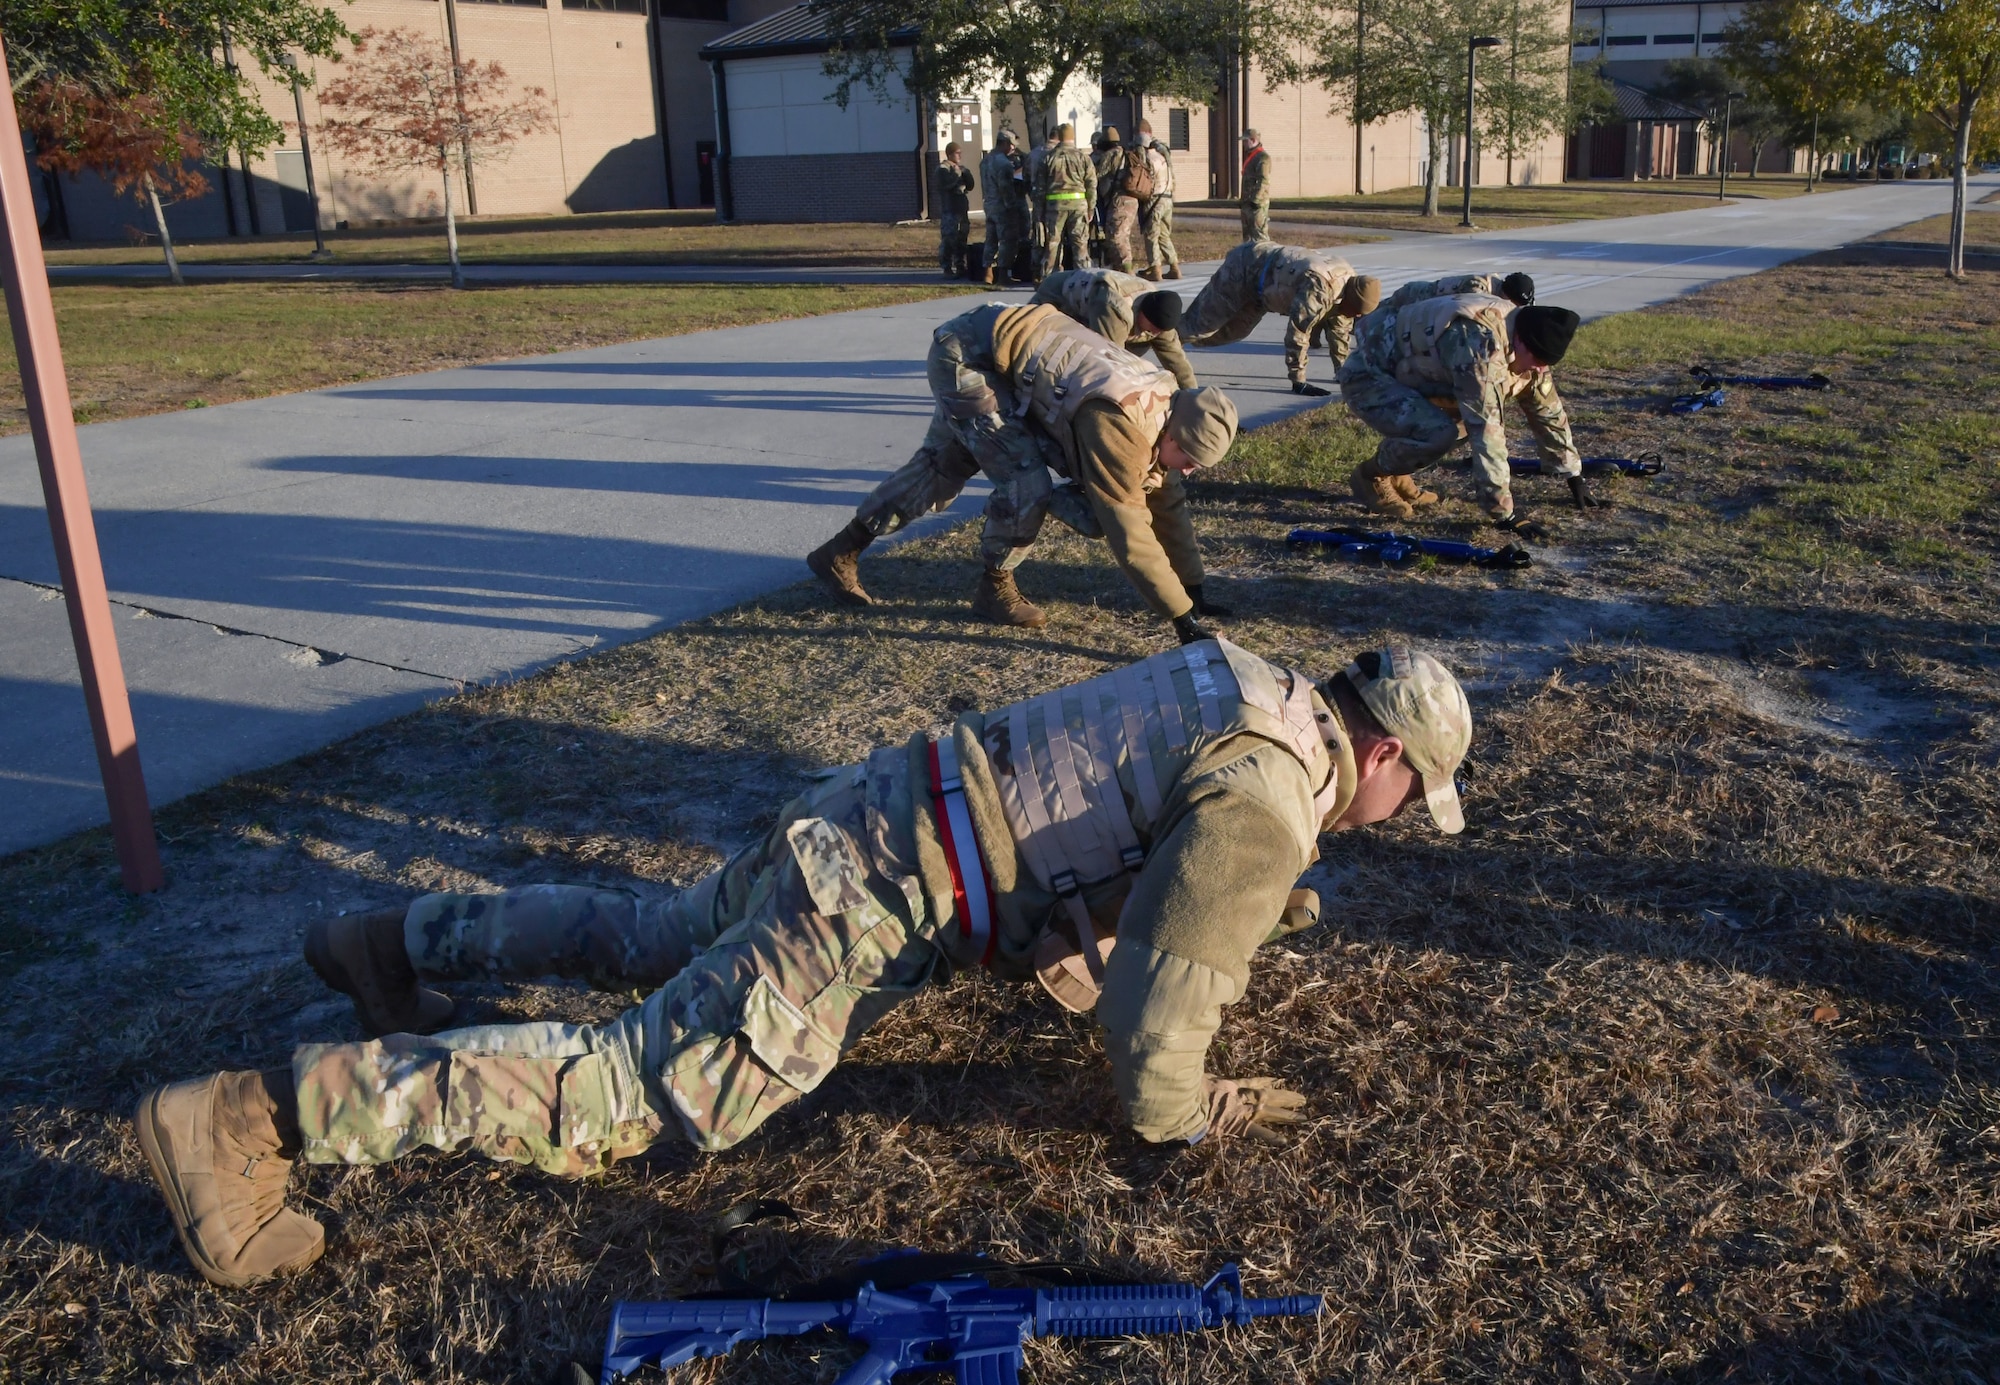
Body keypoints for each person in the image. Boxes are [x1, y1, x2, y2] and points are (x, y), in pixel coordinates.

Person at [135, 637, 1474, 1289]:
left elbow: (1098, 823)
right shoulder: (1275, 803)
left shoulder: (1249, 681)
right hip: (897, 884)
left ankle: (387, 942)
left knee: (660, 934)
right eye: (1414, 798)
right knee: (654, 1091)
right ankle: (253, 1120)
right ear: (1389, 760)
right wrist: (1182, 1118)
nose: (1394, 821)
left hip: (884, 805)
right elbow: (1159, 1013)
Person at [804, 302, 1238, 633]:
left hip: (1003, 359)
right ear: (1175, 436)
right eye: (1191, 460)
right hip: (969, 357)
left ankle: (838, 553)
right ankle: (995, 590)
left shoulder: (1169, 405)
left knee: (948, 462)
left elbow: (1167, 499)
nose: (1191, 470)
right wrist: (1182, 619)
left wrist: (1192, 586)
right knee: (1025, 484)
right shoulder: (1122, 421)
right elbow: (1130, 531)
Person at [1337, 293, 1591, 524]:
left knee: (1459, 426)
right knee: (1440, 433)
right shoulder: (1480, 347)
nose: (1539, 369)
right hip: (1369, 378)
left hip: (1411, 378)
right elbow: (1488, 433)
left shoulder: (1527, 340)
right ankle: (1372, 476)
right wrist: (1505, 514)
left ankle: (1397, 471)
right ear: (1521, 341)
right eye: (1538, 360)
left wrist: (1571, 473)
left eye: (1546, 363)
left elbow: (1548, 410)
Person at [1181, 240, 1382, 394]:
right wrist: (1298, 381)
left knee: (1233, 333)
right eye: (1356, 311)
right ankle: (1161, 334)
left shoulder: (1350, 290)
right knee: (1201, 326)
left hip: (1264, 290)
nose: (1356, 316)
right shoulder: (1322, 288)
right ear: (1349, 299)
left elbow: (1339, 331)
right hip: (1246, 267)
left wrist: (1343, 373)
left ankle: (1174, 342)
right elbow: (1298, 332)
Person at [1032, 268, 1198, 388]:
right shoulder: (1117, 311)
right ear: (1143, 314)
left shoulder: (1162, 316)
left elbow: (1177, 362)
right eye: (1153, 328)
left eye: (1160, 331)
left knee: (1132, 357)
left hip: (1097, 305)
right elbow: (1110, 365)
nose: (1155, 333)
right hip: (1057, 297)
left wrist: (1192, 398)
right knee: (1038, 349)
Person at [1036, 123, 1095, 279]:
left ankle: (1048, 279)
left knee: (1052, 244)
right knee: (1080, 244)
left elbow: (1040, 187)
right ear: (1073, 137)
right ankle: (1083, 278)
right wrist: (1091, 208)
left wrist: (1039, 210)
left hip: (1054, 208)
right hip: (1078, 207)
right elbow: (1091, 184)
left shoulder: (1048, 157)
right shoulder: (1083, 157)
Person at [980, 131, 1030, 286]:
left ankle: (988, 272)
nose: (1013, 148)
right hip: (1003, 207)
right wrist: (1012, 207)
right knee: (1007, 240)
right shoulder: (1003, 164)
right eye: (1011, 144)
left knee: (991, 239)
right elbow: (1006, 189)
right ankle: (1003, 274)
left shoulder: (985, 161)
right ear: (1004, 143)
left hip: (989, 204)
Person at [1093, 126, 1144, 273]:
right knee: (1118, 235)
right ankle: (1119, 269)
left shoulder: (1111, 154)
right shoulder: (1126, 153)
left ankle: (1128, 271)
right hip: (1131, 199)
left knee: (1117, 237)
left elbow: (1097, 175)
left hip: (1120, 201)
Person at [1136, 120, 1180, 281]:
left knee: (1151, 235)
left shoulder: (1147, 157)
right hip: (1168, 198)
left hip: (1154, 200)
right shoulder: (1163, 155)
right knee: (1164, 235)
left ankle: (1155, 269)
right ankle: (1174, 267)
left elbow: (1144, 180)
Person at [1377, 271, 1535, 314]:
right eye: (1515, 303)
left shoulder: (1497, 292)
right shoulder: (1477, 291)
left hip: (1425, 305)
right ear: (1506, 295)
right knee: (1370, 313)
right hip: (1414, 296)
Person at [935, 143, 975, 278]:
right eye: (957, 153)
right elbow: (945, 186)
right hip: (950, 210)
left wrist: (965, 173)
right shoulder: (942, 169)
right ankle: (946, 267)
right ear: (950, 154)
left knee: (961, 240)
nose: (960, 155)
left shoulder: (959, 168)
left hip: (961, 210)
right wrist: (956, 175)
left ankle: (960, 266)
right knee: (949, 240)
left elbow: (970, 186)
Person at [1240, 130, 1272, 242]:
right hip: (1247, 203)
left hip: (1257, 205)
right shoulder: (1252, 157)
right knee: (1248, 238)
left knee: (1259, 237)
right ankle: (1249, 259)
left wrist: (1255, 200)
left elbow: (1263, 181)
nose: (1243, 144)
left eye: (1245, 141)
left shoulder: (1263, 158)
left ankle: (1263, 259)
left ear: (1253, 140)